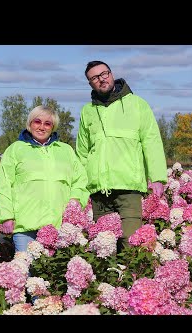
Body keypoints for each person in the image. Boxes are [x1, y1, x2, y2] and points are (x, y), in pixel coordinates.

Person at [76, 60, 168, 253]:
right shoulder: (88, 111)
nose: (101, 79)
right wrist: (81, 190)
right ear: (90, 83)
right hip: (99, 191)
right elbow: (82, 153)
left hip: (129, 188)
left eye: (104, 74)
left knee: (131, 244)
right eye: (94, 78)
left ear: (111, 74)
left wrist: (157, 177)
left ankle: (133, 282)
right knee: (104, 249)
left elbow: (151, 141)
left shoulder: (137, 104)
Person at [0, 105, 90, 254]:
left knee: (54, 273)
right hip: (25, 226)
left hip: (59, 226)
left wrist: (75, 201)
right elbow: (3, 184)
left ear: (53, 127)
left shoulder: (66, 151)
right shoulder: (15, 150)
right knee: (26, 269)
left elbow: (80, 180)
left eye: (47, 123)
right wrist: (6, 216)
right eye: (37, 122)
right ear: (30, 123)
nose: (41, 127)